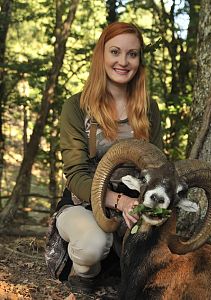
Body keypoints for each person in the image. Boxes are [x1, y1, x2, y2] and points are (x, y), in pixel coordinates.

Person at [45, 22, 163, 294]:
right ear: (101, 55)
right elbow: (75, 175)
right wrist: (119, 202)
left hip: (136, 204)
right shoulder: (77, 106)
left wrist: (143, 206)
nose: (123, 61)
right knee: (92, 244)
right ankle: (84, 275)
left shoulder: (149, 109)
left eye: (132, 54)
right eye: (115, 52)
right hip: (85, 203)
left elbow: (157, 165)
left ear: (139, 60)